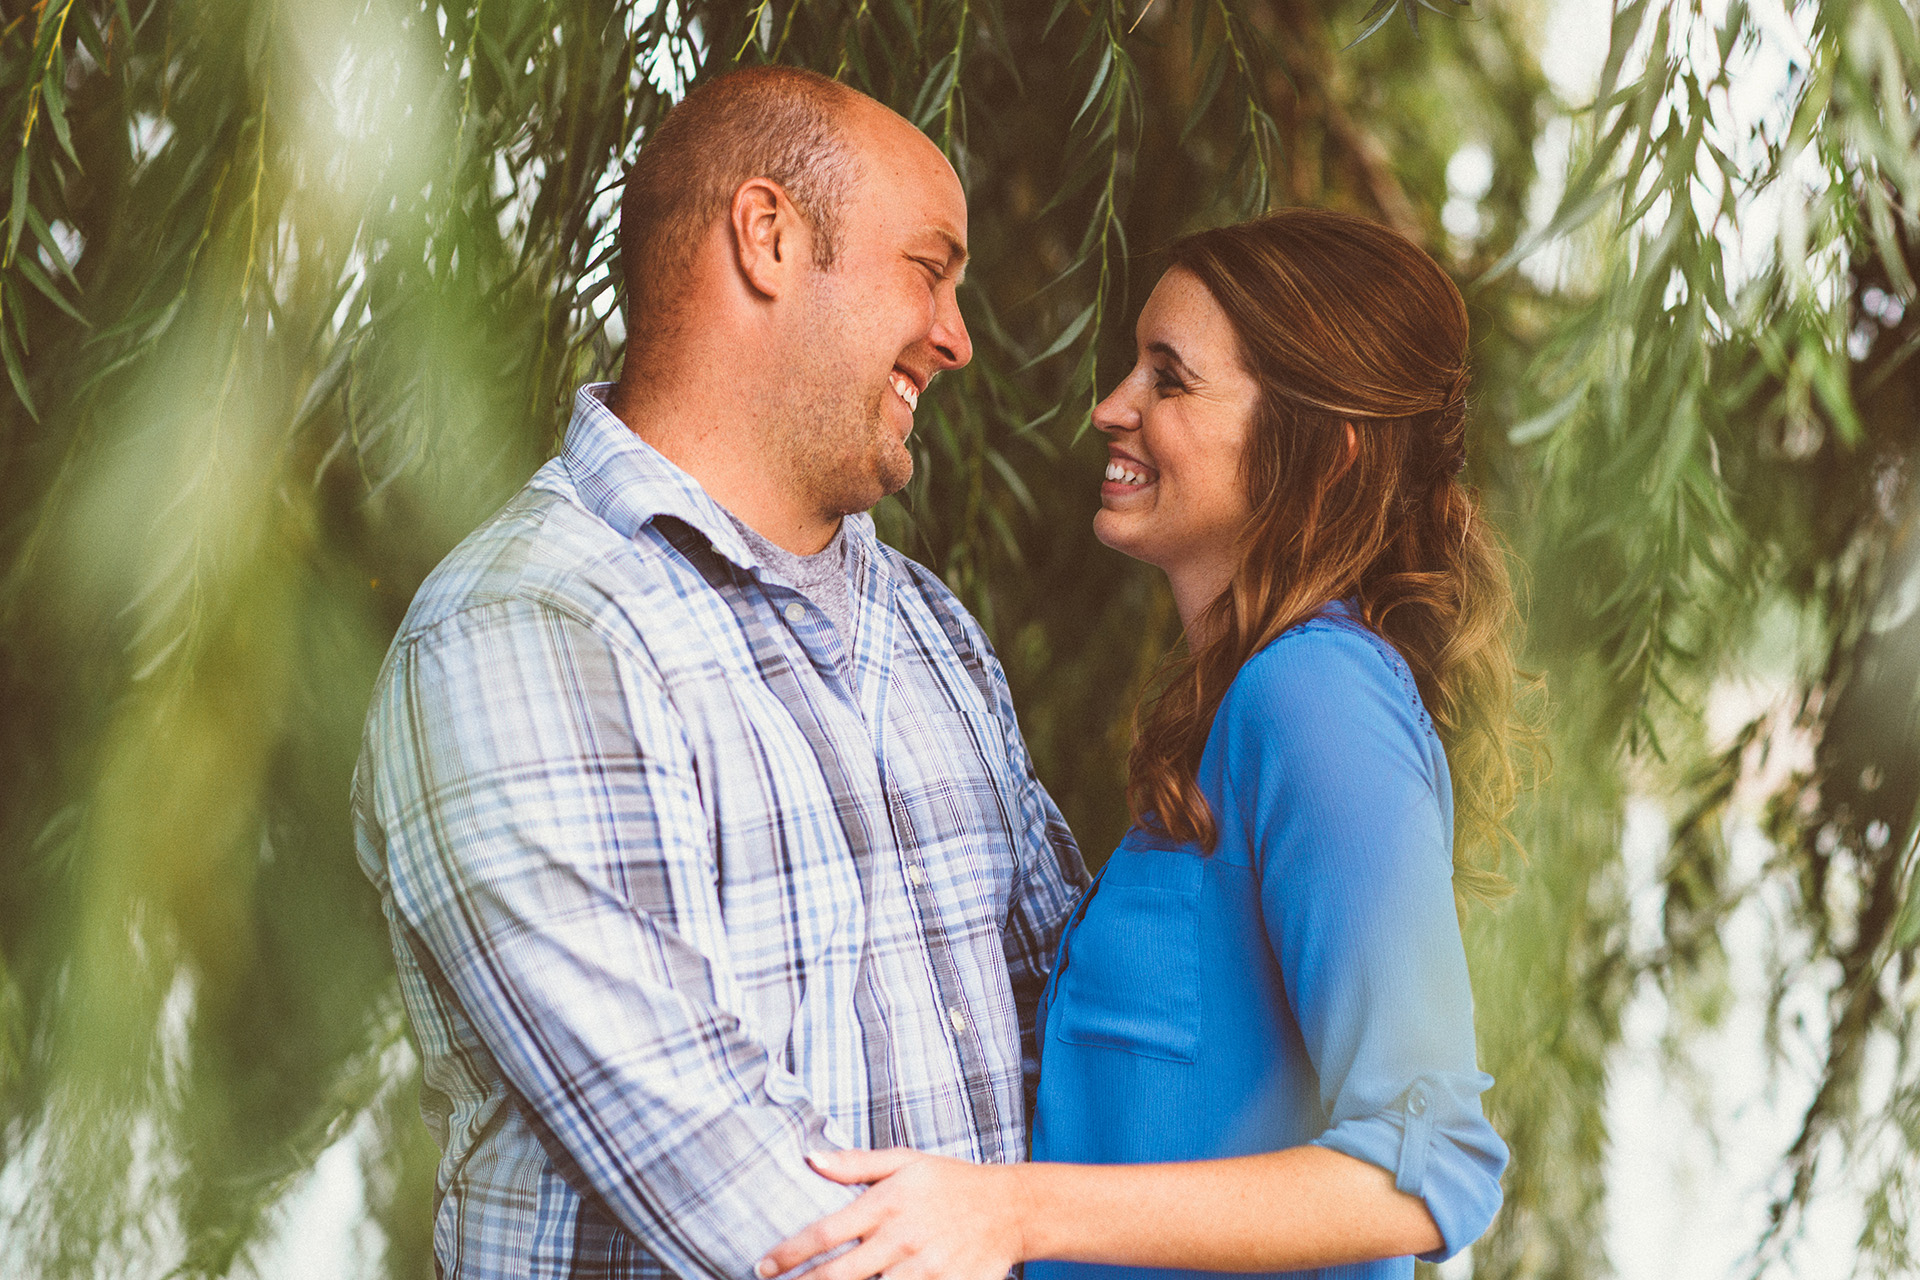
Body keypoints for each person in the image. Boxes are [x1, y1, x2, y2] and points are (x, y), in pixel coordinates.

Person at [351, 66, 1086, 1280]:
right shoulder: (526, 628)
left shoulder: (931, 630)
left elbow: (1073, 1021)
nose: (958, 337)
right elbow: (754, 1201)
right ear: (769, 237)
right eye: (930, 268)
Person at [758, 209, 1522, 1280]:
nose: (1110, 406)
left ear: (1324, 450)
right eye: (1133, 366)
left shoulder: (1317, 696)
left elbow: (1429, 1162)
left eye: (1170, 378)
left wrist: (1012, 1212)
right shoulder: (1246, 705)